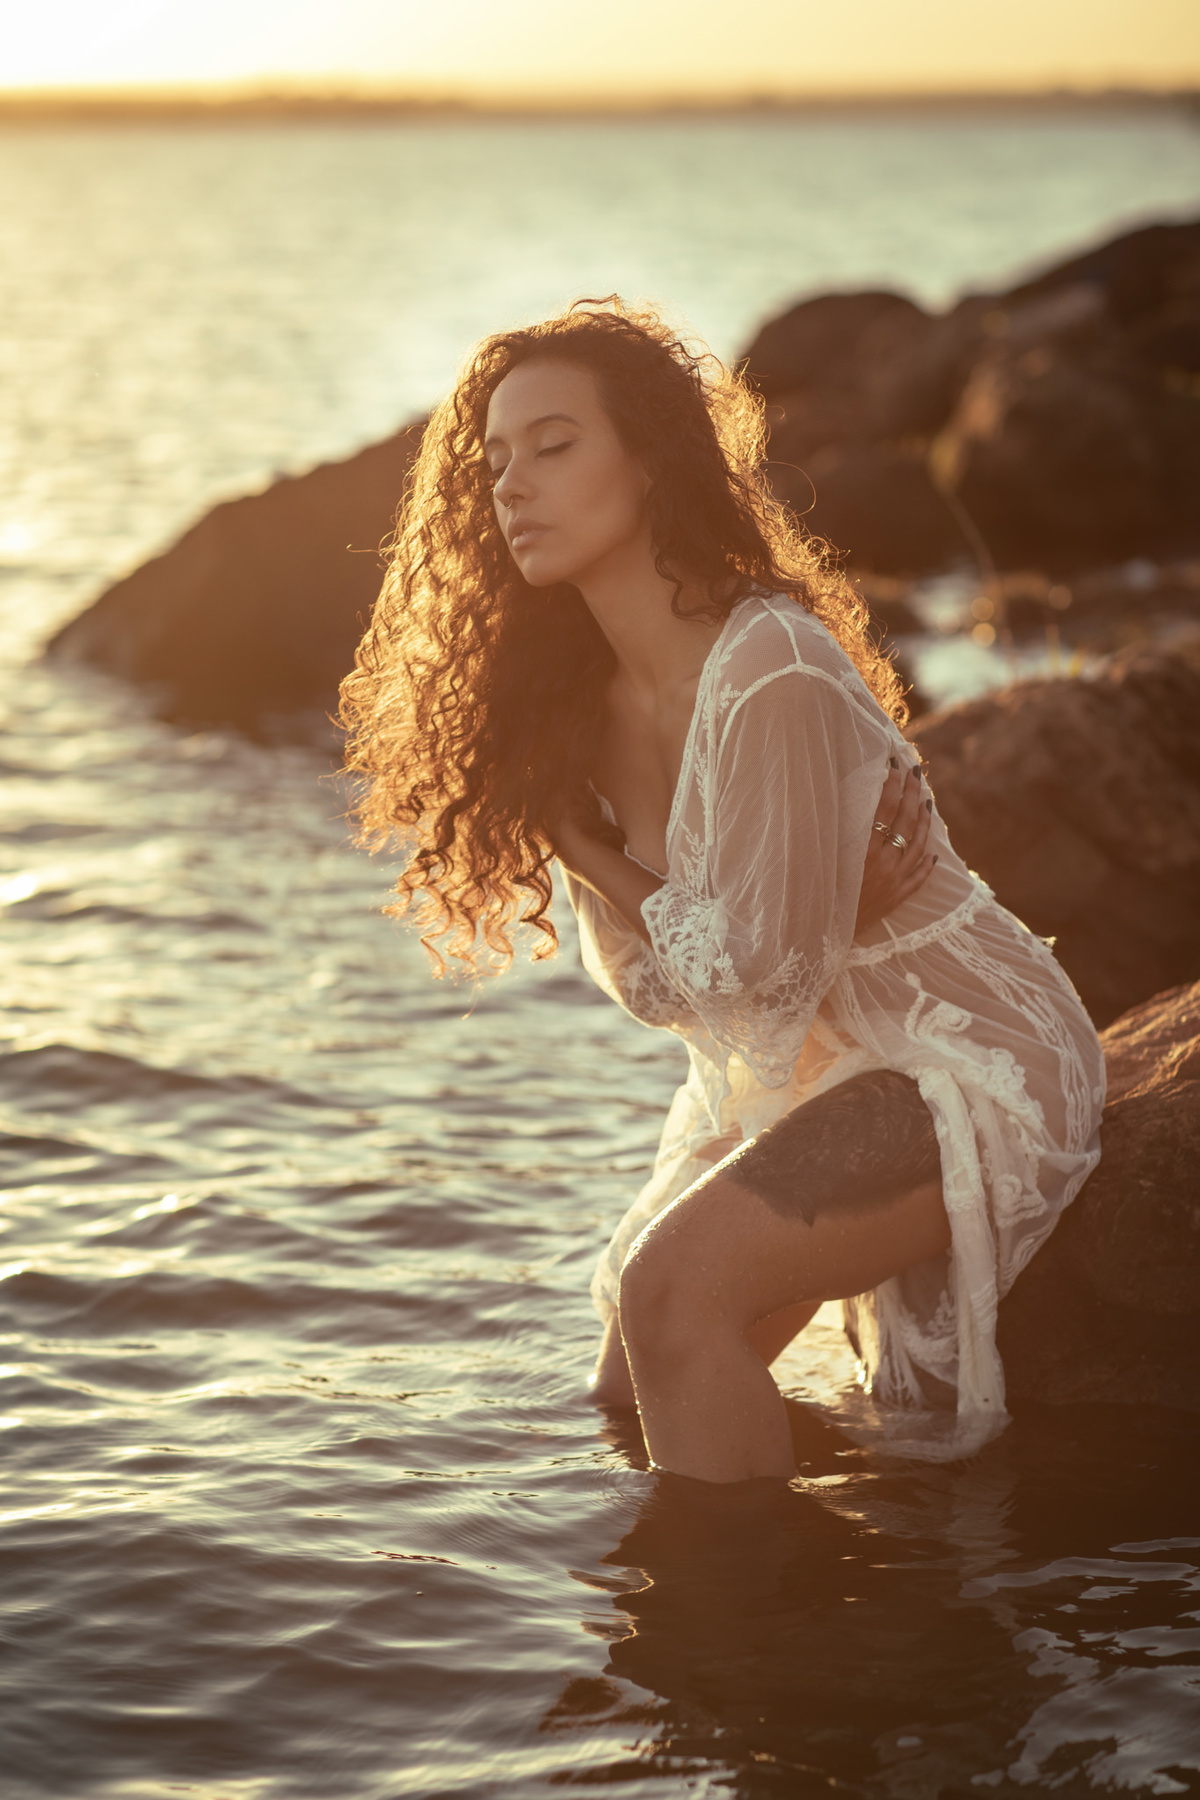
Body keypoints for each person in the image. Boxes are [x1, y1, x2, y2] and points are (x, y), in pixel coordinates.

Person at [340, 299, 1105, 1481]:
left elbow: (752, 986)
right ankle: (822, 1570)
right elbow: (674, 989)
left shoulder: (768, 667)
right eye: (493, 461)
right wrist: (789, 927)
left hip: (961, 1045)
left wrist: (597, 857)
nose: (511, 487)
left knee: (673, 1299)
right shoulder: (577, 705)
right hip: (804, 1064)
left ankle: (738, 1651)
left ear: (649, 463)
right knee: (624, 1384)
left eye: (554, 445)